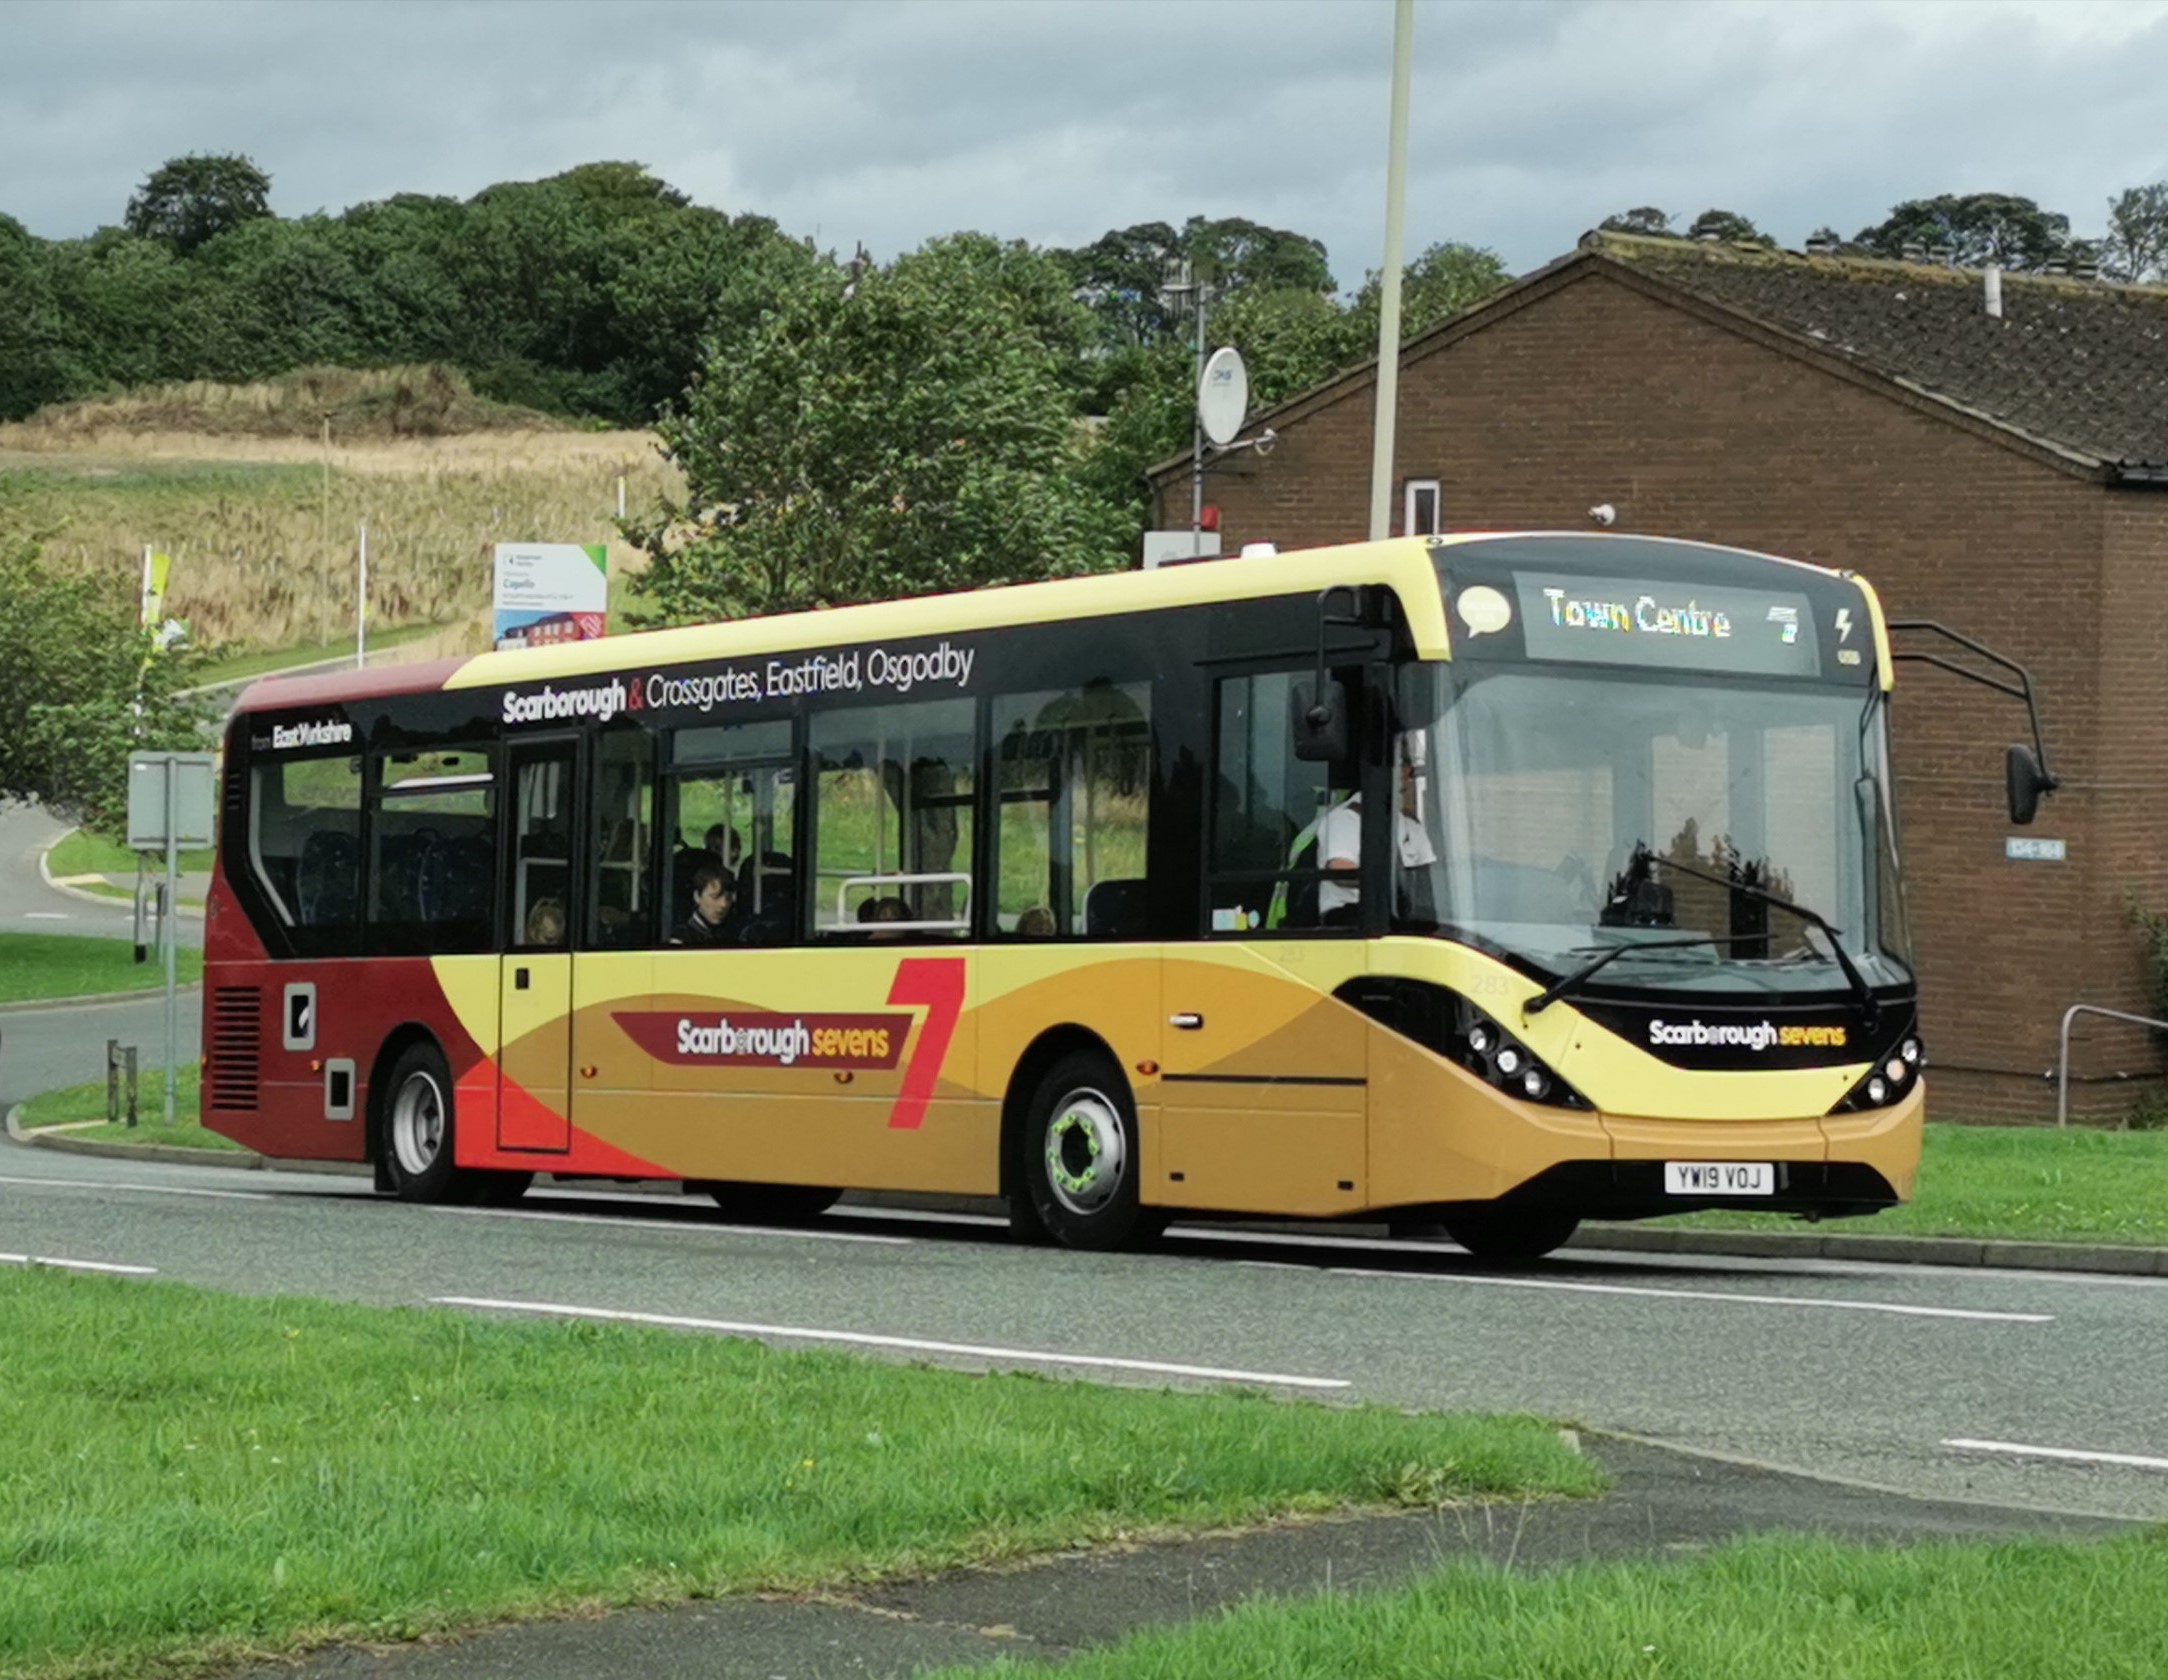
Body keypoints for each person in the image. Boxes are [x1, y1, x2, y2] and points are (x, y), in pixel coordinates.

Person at [1316, 742, 1436, 922]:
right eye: (1402, 763)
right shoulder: (1346, 819)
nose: (1408, 772)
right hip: (1351, 918)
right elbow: (1340, 870)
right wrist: (1392, 885)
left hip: (1401, 913)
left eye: (1409, 764)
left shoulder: (1411, 825)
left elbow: (1428, 876)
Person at [672, 864, 734, 946]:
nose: (723, 904)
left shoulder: (731, 936)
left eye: (728, 898)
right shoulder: (681, 939)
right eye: (715, 897)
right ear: (697, 896)